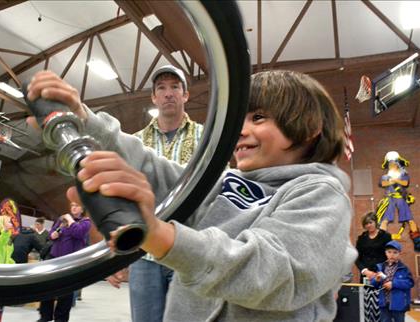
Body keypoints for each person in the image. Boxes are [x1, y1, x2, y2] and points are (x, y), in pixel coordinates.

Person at [27, 69, 357, 321]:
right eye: (239, 118)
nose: (239, 129)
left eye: (258, 118)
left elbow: (270, 271)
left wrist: (160, 234)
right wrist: (85, 121)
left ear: (310, 128)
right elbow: (153, 170)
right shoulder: (226, 181)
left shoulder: (320, 193)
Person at [107, 65, 203, 321]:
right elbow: (119, 199)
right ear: (153, 97)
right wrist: (116, 255)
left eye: (175, 87)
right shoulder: (134, 141)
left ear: (185, 95)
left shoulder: (207, 138)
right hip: (144, 253)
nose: (168, 93)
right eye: (161, 88)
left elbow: (217, 193)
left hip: (189, 250)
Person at [38, 201, 91, 322]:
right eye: (72, 205)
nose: (73, 208)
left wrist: (70, 220)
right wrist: (53, 235)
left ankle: (60, 319)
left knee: (65, 293)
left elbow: (78, 233)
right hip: (54, 257)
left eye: (76, 206)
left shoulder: (86, 222)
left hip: (71, 262)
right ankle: (45, 316)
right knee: (47, 288)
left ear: (82, 209)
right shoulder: (62, 219)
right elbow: (51, 233)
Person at [370, 240, 414, 322]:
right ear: (385, 253)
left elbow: (410, 283)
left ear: (399, 253)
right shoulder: (380, 267)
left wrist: (394, 284)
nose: (392, 255)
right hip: (384, 303)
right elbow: (373, 284)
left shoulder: (404, 269)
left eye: (395, 252)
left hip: (399, 304)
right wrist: (376, 280)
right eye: (389, 252)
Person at [355, 212, 392, 282]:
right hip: (366, 275)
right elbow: (356, 258)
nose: (368, 225)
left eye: (370, 222)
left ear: (375, 222)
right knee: (366, 293)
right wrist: (365, 271)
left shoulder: (386, 236)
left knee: (382, 292)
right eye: (366, 224)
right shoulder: (361, 238)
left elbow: (391, 254)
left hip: (382, 274)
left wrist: (384, 270)